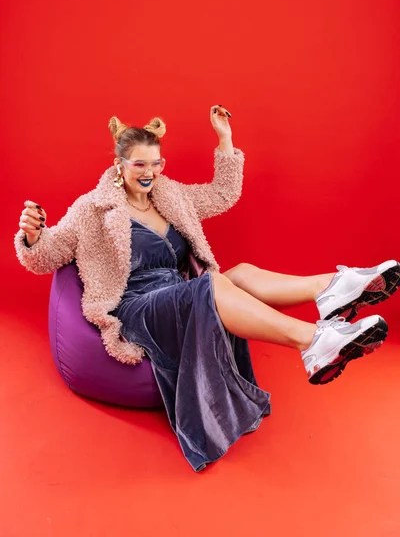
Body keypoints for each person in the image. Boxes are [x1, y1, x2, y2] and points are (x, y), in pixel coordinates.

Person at [14, 105, 400, 472]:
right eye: (139, 165)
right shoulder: (92, 209)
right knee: (212, 282)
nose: (149, 173)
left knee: (242, 273)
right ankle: (313, 341)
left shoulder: (170, 196)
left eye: (155, 163)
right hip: (136, 309)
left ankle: (336, 287)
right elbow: (47, 255)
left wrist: (225, 139)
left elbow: (222, 194)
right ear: (119, 166)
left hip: (177, 296)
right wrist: (32, 236)